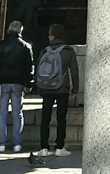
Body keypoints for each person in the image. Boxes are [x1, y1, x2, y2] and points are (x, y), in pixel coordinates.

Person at [0, 20, 34, 153]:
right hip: (18, 82)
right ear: (20, 31)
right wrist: (29, 83)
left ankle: (1, 144)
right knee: (17, 113)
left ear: (9, 30)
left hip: (3, 82)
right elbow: (29, 66)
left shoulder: (0, 45)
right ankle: (17, 144)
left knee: (1, 113)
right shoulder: (26, 46)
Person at [36, 23, 79, 158]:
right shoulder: (68, 51)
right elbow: (74, 72)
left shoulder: (44, 51)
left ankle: (44, 147)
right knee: (61, 118)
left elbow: (38, 71)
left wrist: (39, 89)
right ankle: (59, 147)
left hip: (47, 89)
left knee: (45, 118)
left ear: (52, 36)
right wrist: (75, 89)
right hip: (62, 89)